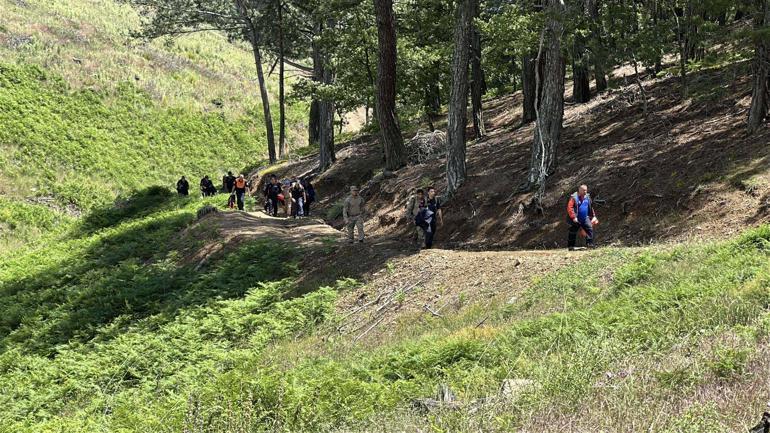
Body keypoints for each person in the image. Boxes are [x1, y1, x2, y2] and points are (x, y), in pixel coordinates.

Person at [567, 184, 599, 250]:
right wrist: (573, 217)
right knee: (572, 232)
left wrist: (593, 216)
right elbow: (570, 208)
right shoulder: (574, 197)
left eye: (586, 190)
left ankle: (589, 245)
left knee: (589, 229)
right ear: (580, 190)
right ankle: (570, 247)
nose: (585, 192)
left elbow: (590, 207)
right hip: (576, 218)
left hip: (585, 218)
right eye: (584, 190)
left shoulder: (587, 197)